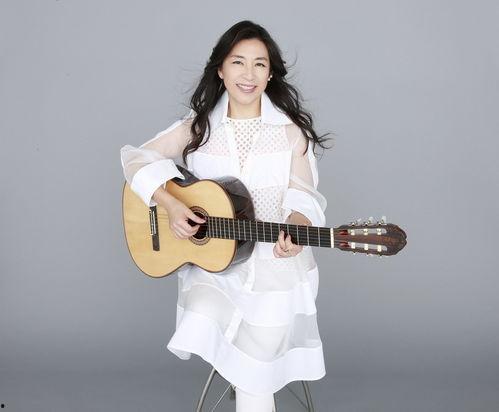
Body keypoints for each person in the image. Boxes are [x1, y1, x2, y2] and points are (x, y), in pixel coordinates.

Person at [120, 20, 333, 412]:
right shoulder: (198, 127)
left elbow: (304, 197)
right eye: (238, 62)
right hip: (214, 271)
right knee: (222, 330)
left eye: (259, 64)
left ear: (270, 74)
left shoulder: (291, 133)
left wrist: (298, 227)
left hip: (275, 269)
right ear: (220, 69)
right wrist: (171, 203)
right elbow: (135, 159)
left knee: (254, 358)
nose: (248, 74)